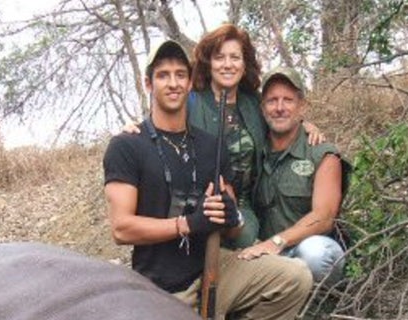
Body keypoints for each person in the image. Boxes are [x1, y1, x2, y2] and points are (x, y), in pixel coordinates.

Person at [104, 40, 312, 319]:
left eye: (180, 74)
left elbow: (232, 230)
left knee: (294, 276)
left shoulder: (210, 145)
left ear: (190, 83)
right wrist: (188, 224)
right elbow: (122, 229)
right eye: (163, 75)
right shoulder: (127, 146)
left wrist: (230, 215)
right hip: (163, 288)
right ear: (148, 84)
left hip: (215, 269)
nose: (173, 83)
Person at [123, 24, 324, 249]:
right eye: (220, 57)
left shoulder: (252, 103)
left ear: (244, 63)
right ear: (209, 63)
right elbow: (160, 124)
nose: (228, 64)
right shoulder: (191, 100)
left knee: (247, 240)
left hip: (245, 209)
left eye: (235, 57)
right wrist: (133, 128)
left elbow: (281, 114)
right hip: (199, 205)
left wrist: (306, 124)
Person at [238, 67, 352, 287]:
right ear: (262, 109)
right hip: (264, 254)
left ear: (302, 106)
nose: (279, 108)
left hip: (298, 250)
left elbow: (324, 216)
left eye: (288, 100)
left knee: (317, 253)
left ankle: (319, 307)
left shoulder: (322, 154)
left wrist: (277, 242)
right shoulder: (253, 152)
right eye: (272, 101)